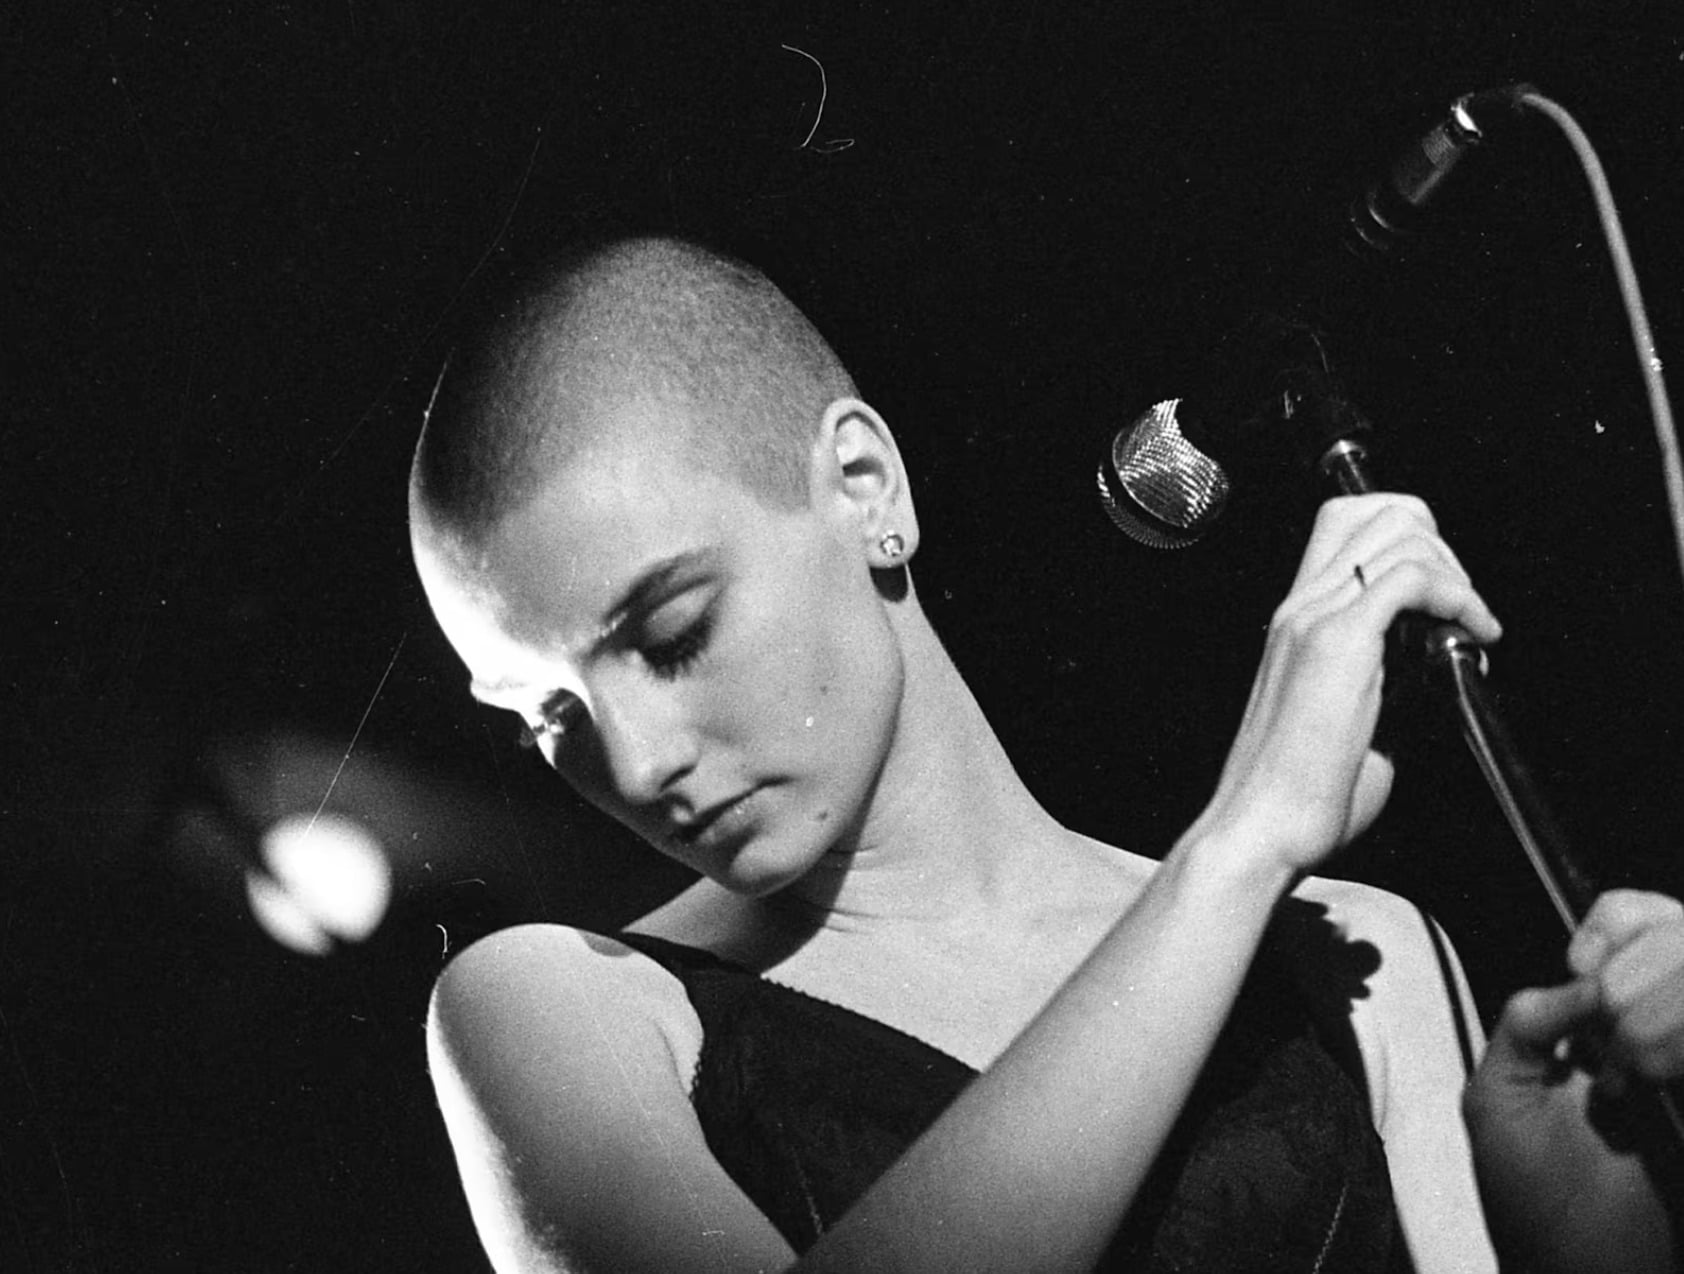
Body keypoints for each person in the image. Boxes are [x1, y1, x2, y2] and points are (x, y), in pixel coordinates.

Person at [407, 234, 1684, 1272]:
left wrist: (1605, 1231)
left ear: (864, 487)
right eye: (549, 716)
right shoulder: (557, 1009)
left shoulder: (1357, 950)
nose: (633, 765)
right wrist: (1233, 850)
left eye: (674, 635)